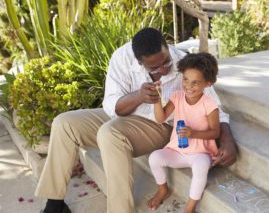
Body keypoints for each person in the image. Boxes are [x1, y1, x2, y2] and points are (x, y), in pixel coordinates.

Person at [35, 27, 237, 213]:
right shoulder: (122, 58)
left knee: (110, 134)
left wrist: (227, 139)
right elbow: (111, 104)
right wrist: (138, 96)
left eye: (165, 62)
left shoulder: (185, 62)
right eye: (154, 69)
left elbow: (215, 106)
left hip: (159, 124)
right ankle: (55, 205)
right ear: (140, 62)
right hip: (124, 115)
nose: (163, 70)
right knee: (64, 123)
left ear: (167, 47)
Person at [147, 53, 220, 213]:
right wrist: (157, 98)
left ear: (208, 83)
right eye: (185, 79)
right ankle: (162, 189)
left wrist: (193, 133)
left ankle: (190, 207)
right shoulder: (178, 97)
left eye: (195, 83)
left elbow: (215, 132)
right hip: (177, 150)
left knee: (201, 166)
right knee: (154, 158)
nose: (188, 86)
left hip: (200, 153)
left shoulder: (209, 104)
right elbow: (161, 118)